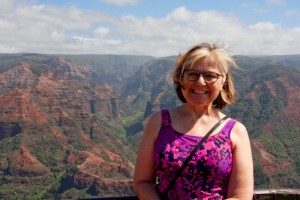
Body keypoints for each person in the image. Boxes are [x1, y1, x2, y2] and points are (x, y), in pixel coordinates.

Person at [133, 43, 254, 200]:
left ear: (223, 81)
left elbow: (240, 196)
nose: (200, 82)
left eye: (210, 75)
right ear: (181, 78)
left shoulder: (236, 131)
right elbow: (143, 182)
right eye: (192, 74)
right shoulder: (158, 122)